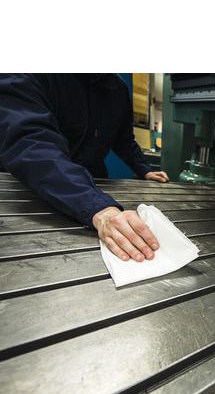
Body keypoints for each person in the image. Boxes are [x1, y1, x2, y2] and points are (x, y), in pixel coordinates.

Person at [0, 73, 169, 262]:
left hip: (91, 187)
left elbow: (124, 140)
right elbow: (32, 143)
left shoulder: (117, 88)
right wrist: (98, 207)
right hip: (29, 189)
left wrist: (144, 169)